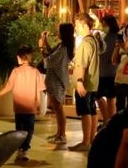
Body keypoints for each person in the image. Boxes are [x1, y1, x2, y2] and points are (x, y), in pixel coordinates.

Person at [0, 44, 44, 163]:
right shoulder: (35, 72)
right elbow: (39, 91)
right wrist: (38, 105)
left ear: (20, 57)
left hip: (19, 107)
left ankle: (21, 150)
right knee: (29, 130)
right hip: (30, 108)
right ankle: (24, 150)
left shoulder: (16, 71)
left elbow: (9, 87)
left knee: (19, 130)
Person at [70, 12, 102, 152]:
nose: (75, 28)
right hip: (93, 82)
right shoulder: (94, 40)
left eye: (77, 25)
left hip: (86, 83)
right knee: (92, 110)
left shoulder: (85, 43)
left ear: (84, 25)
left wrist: (79, 81)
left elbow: (82, 64)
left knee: (85, 112)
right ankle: (91, 139)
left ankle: (85, 142)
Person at [39, 22, 74, 145]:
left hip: (57, 81)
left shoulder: (63, 49)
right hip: (54, 80)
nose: (57, 32)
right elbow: (51, 53)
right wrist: (45, 41)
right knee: (57, 108)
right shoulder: (62, 46)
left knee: (58, 109)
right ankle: (59, 133)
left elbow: (49, 61)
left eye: (59, 31)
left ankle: (62, 134)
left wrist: (41, 48)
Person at [96, 15, 120, 124]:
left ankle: (110, 121)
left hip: (112, 71)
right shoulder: (103, 36)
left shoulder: (117, 37)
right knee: (99, 96)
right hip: (102, 71)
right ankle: (107, 120)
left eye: (104, 24)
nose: (102, 26)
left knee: (111, 98)